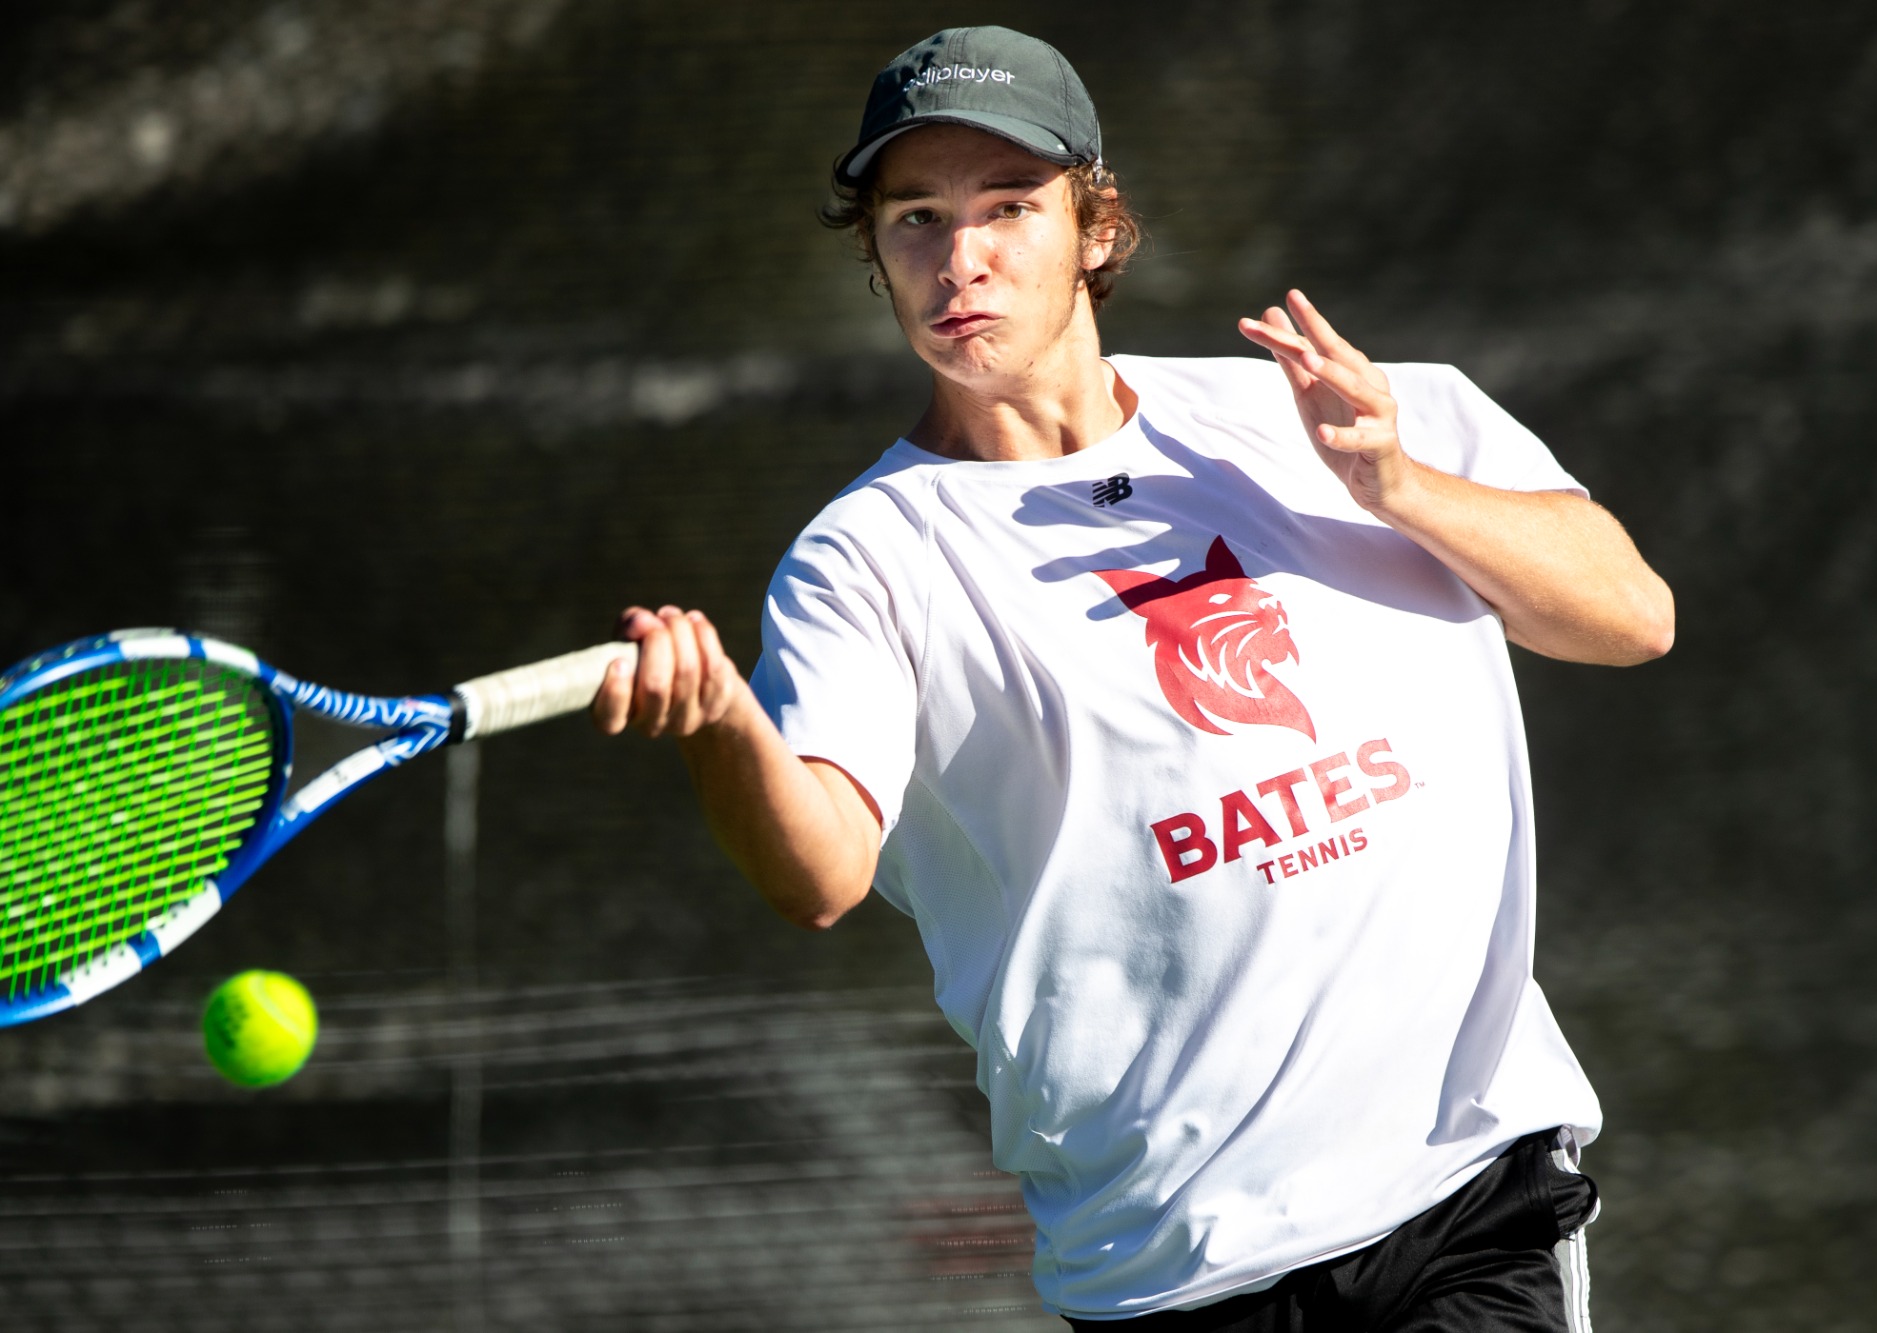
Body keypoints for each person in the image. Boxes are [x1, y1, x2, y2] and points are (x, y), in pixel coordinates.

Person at [592, 25, 1672, 1332]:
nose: (962, 257)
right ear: (876, 252)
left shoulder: (1336, 413)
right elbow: (815, 872)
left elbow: (1632, 616)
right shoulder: (862, 560)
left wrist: (1396, 485)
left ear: (1095, 230)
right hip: (1171, 1264)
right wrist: (721, 720)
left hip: (1462, 1200)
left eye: (1009, 207)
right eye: (918, 217)